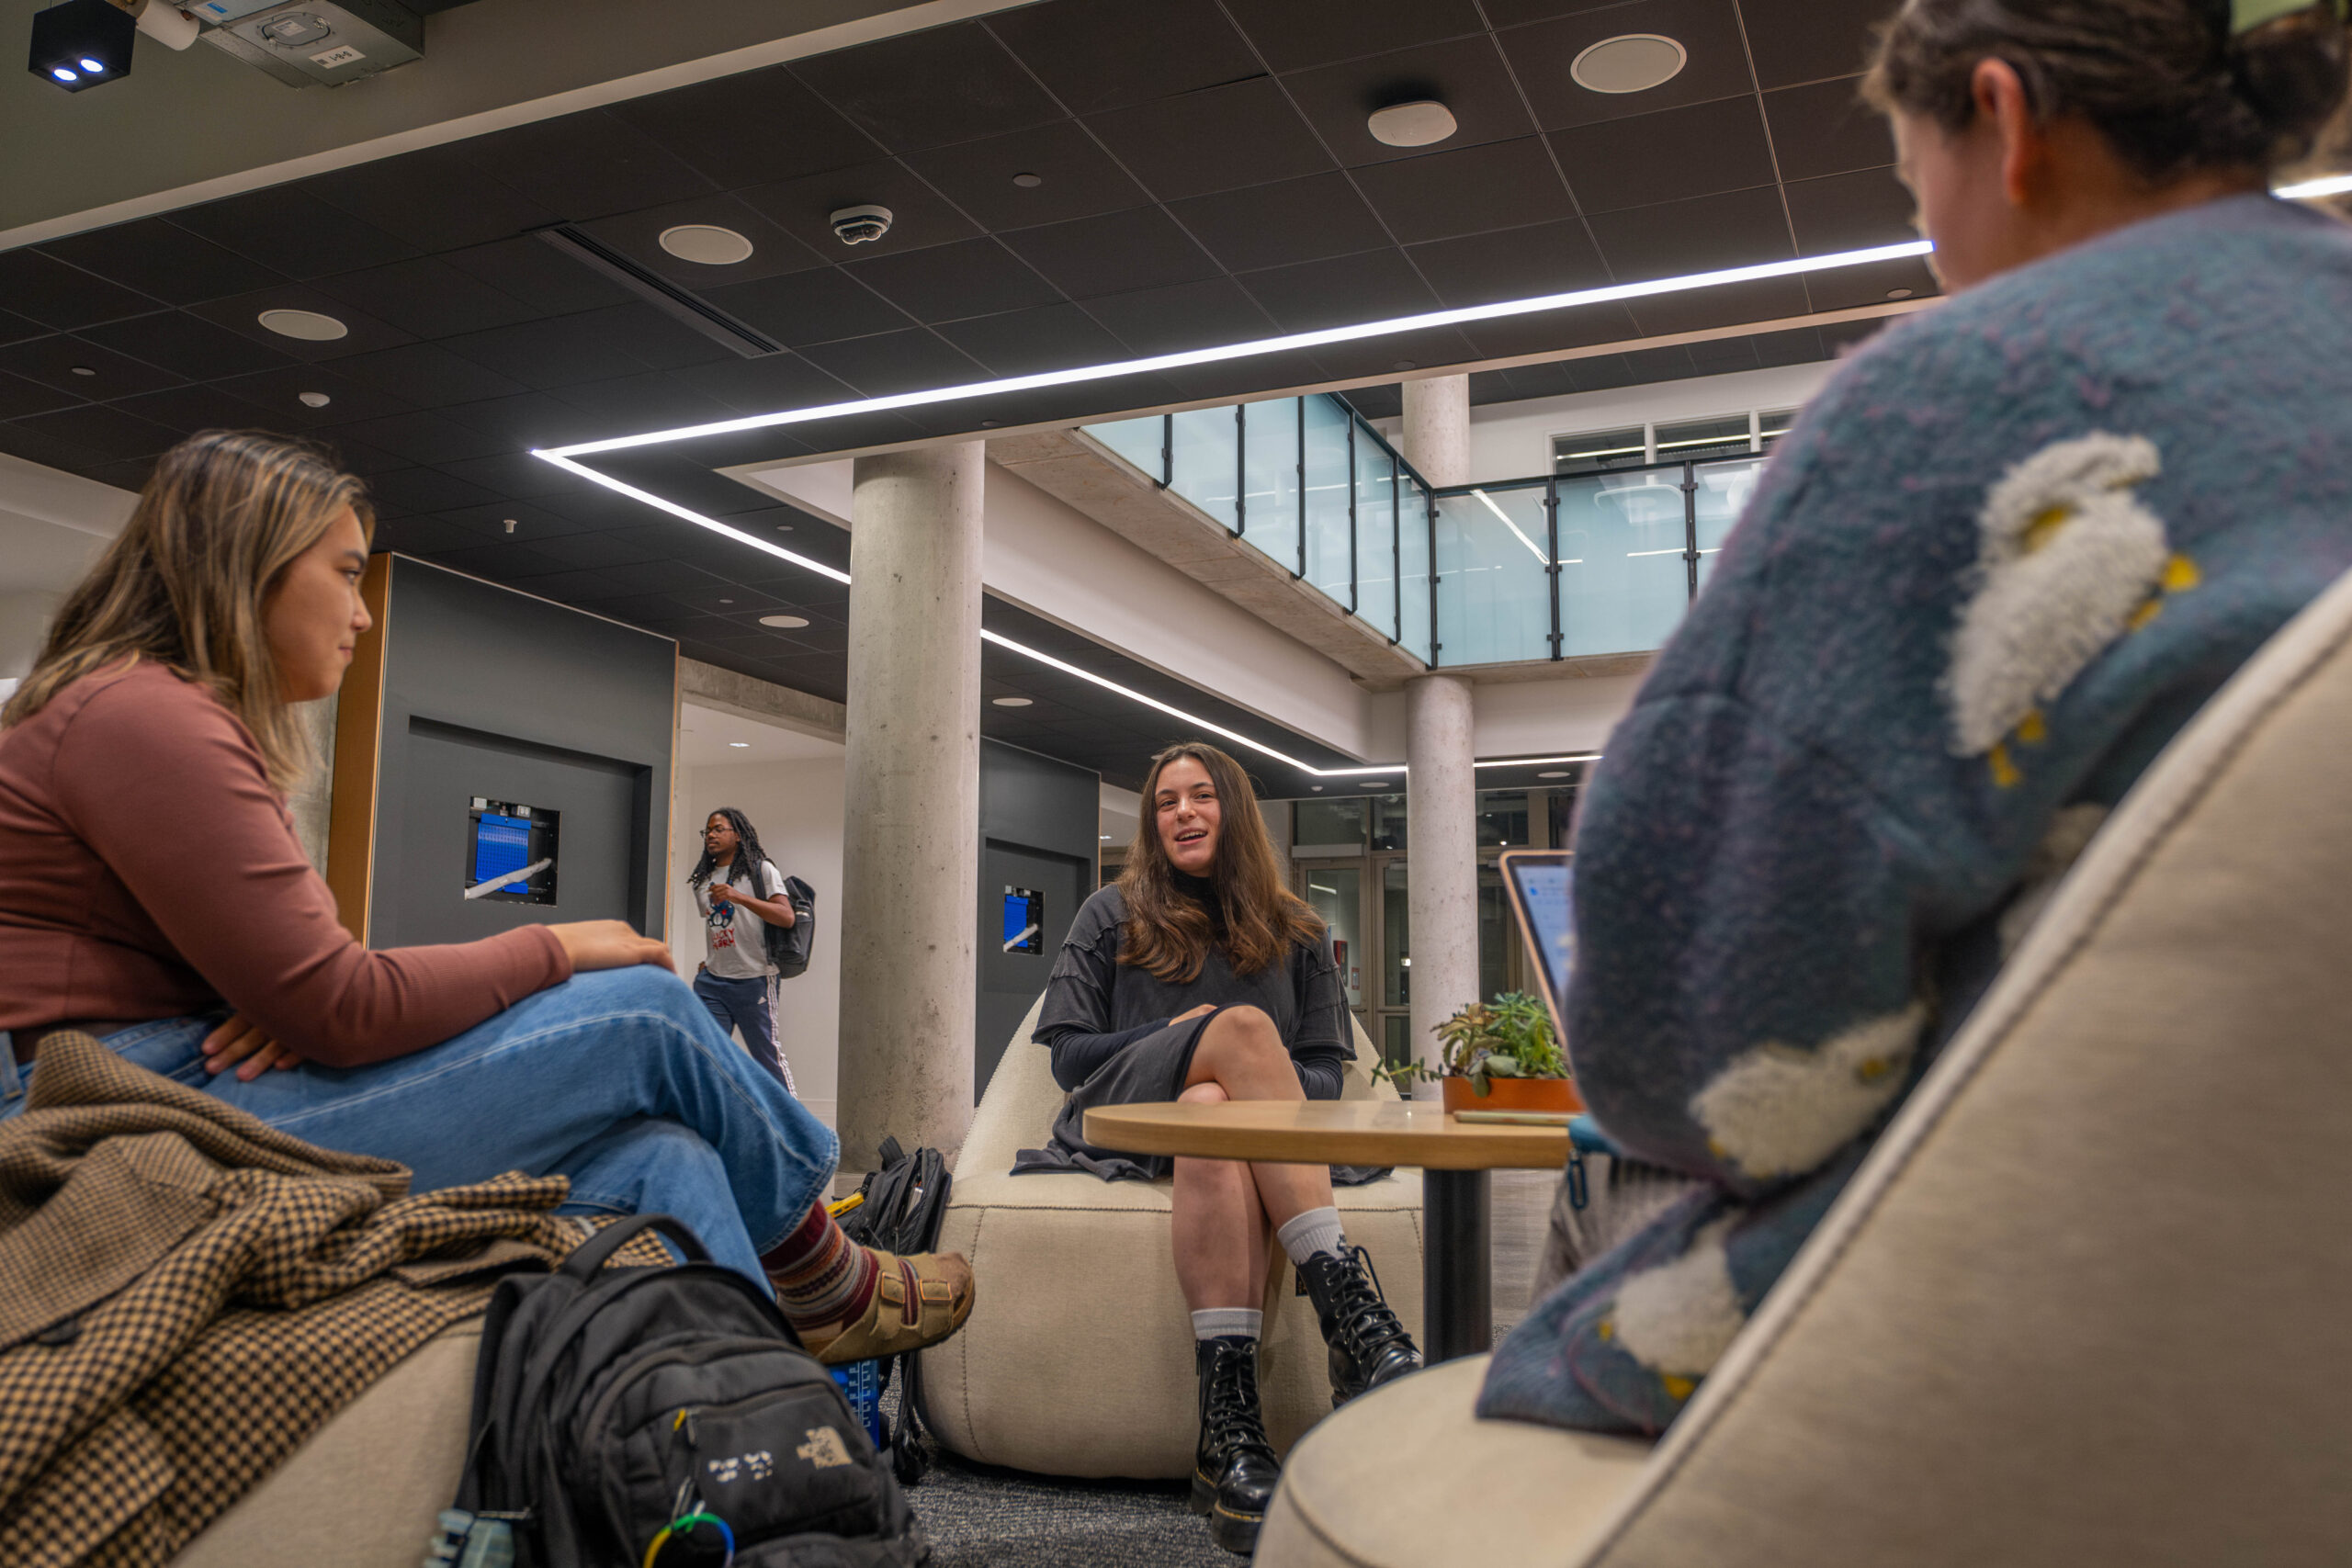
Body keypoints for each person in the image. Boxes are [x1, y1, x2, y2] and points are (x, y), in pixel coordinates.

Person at [1481, 0, 2352, 1438]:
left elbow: (1690, 1048)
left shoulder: (1953, 399)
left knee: (1617, 1205)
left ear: (2005, 119)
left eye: (1913, 184)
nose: (1932, 244)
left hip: (2047, 1331)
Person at [0, 429, 971, 1367]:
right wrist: (554, 948)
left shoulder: (136, 711)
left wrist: (285, 999)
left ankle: (759, 1440)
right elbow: (337, 1003)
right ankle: (825, 1274)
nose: (362, 611)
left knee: (664, 1160)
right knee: (645, 1010)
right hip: (136, 1121)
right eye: (343, 572)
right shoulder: (146, 715)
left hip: (183, 1078)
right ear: (243, 566)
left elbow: (310, 991)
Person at [1012, 740, 1421, 1556]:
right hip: (1126, 1114)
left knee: (1212, 1103)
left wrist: (1232, 1079)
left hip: (1225, 1132)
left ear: (1233, 810)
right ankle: (1347, 1306)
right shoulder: (1111, 912)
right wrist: (1181, 1034)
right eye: (1167, 801)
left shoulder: (1295, 926)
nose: (1184, 813)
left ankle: (1229, 1434)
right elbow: (1068, 1056)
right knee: (1235, 1031)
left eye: (1201, 796)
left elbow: (1323, 1075)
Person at [688, 807, 797, 1091]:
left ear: (737, 835)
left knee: (766, 1058)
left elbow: (786, 917)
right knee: (705, 1056)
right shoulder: (703, 880)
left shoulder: (761, 870)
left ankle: (793, 1129)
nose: (710, 835)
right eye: (707, 831)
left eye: (718, 829)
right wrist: (711, 960)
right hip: (713, 981)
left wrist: (739, 896)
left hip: (755, 978)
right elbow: (720, 925)